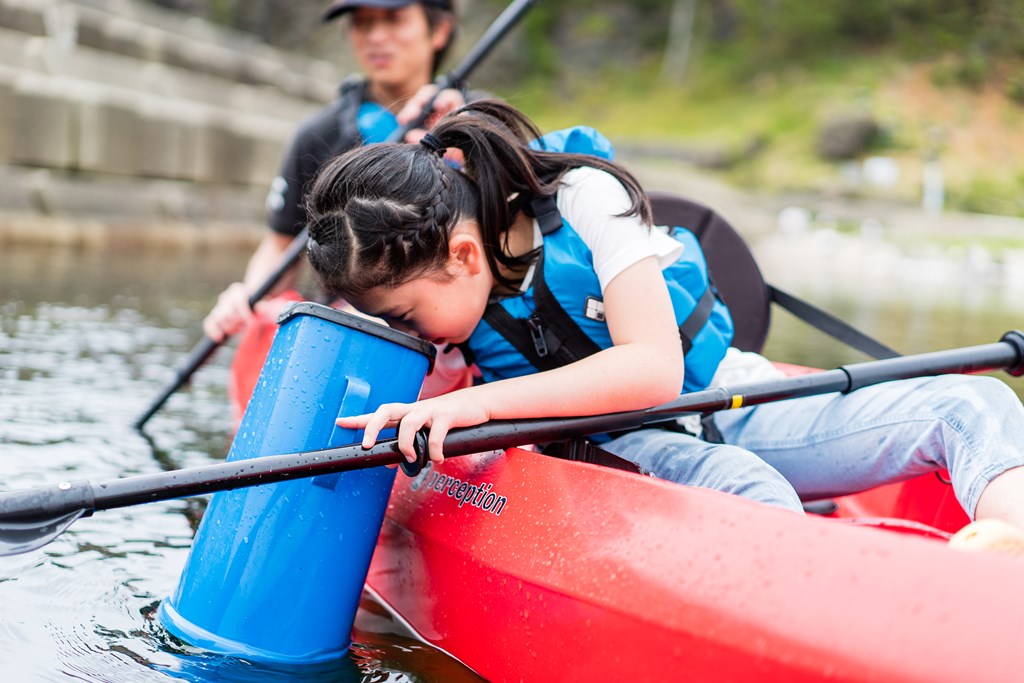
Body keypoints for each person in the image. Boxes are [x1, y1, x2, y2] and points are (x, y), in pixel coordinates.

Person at [304, 98, 1024, 549]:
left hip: (732, 400)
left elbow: (653, 368)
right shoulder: (452, 310)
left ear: (462, 253)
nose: (414, 334)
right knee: (755, 493)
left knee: (972, 403)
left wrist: (476, 400)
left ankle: (1008, 556)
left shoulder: (589, 196)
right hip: (625, 449)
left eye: (405, 316)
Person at [202, 0, 478, 414]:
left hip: (458, 330)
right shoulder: (318, 134)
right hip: (349, 323)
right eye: (362, 23)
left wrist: (462, 149)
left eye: (393, 19)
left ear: (438, 31)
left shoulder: (475, 121)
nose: (375, 36)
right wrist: (247, 296)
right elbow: (280, 248)